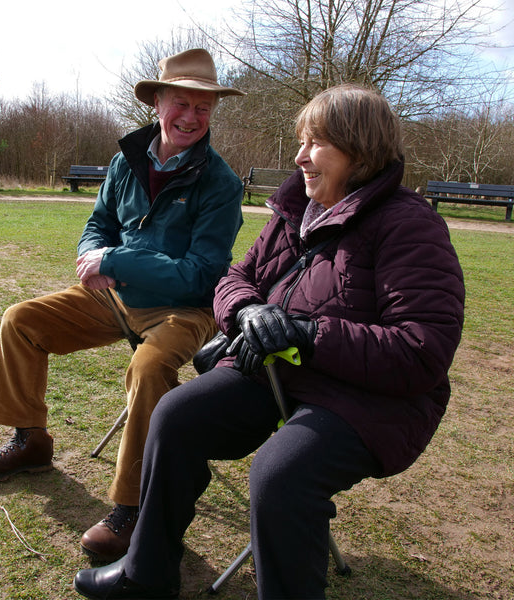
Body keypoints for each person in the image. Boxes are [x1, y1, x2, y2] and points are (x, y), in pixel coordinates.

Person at [72, 84, 465, 600]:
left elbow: (422, 352)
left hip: (367, 397)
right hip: (277, 370)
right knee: (175, 414)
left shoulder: (409, 225)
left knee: (281, 474)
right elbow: (237, 276)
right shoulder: (295, 209)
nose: (299, 157)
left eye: (315, 142)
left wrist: (306, 334)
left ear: (360, 148)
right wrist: (246, 310)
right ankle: (146, 573)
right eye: (300, 142)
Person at [0, 48, 245, 563]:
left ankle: (133, 505)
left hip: (183, 310)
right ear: (156, 102)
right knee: (21, 321)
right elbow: (97, 224)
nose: (190, 117)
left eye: (203, 108)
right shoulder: (125, 161)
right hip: (113, 297)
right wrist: (90, 256)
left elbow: (201, 274)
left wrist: (118, 259)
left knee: (152, 362)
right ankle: (30, 440)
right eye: (180, 103)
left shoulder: (221, 184)